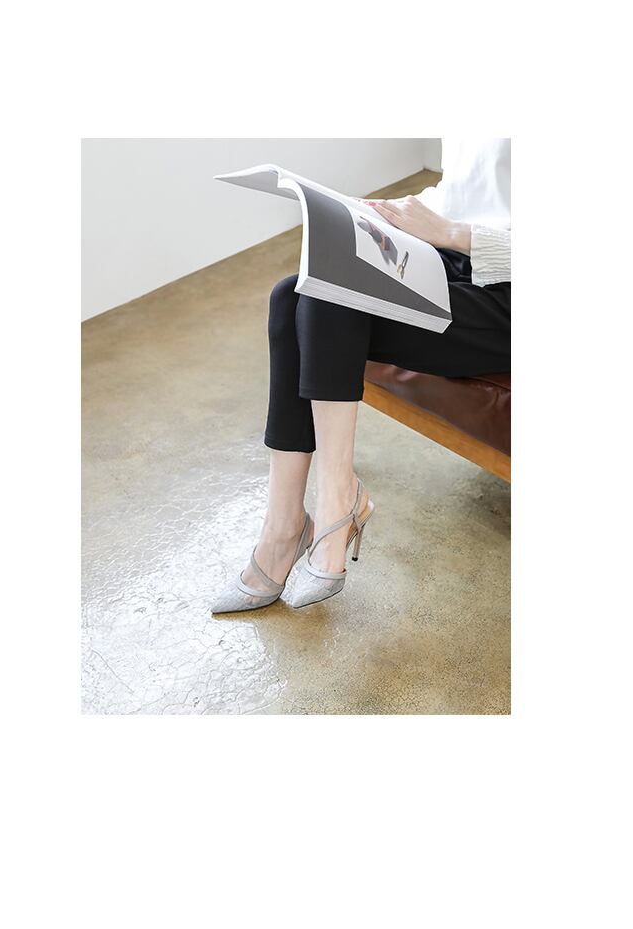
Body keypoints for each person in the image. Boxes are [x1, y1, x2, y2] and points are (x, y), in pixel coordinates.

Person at [212, 138, 511, 613]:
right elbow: (477, 190)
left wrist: (453, 232)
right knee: (292, 295)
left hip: (510, 292)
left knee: (331, 295)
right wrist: (383, 212)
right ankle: (285, 525)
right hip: (455, 258)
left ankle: (336, 503)